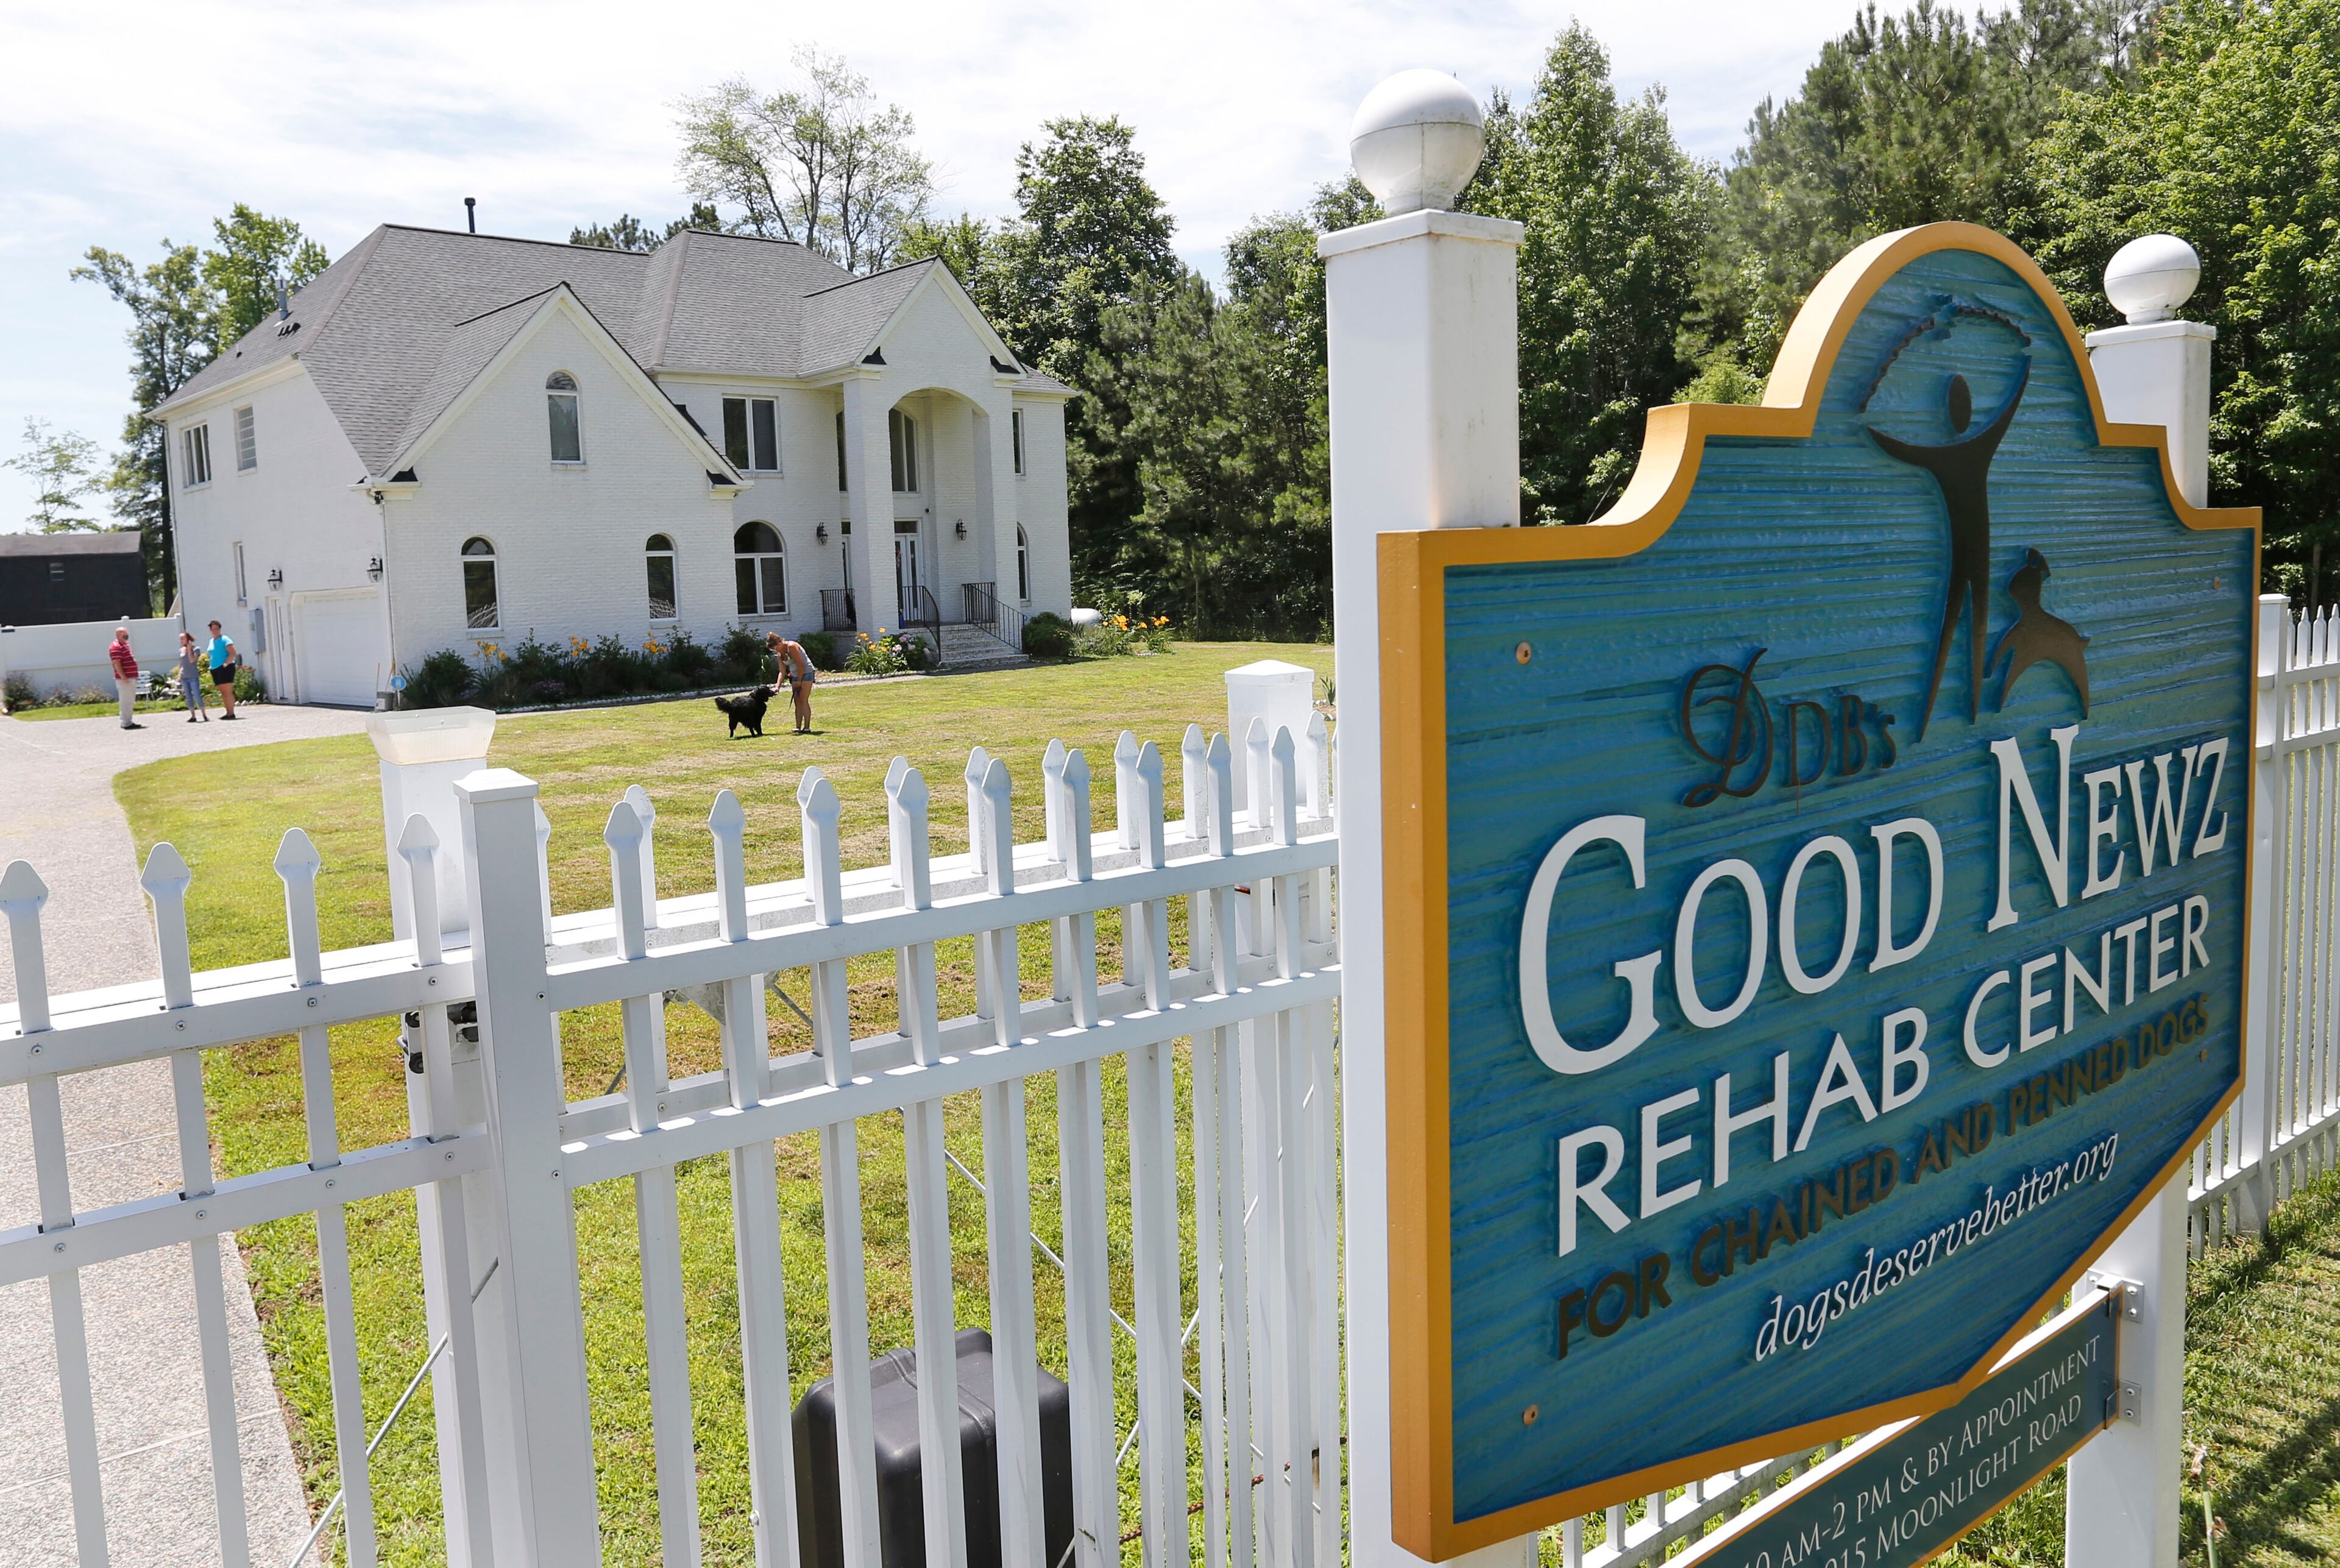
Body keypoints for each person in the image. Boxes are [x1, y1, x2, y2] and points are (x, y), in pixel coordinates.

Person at [766, 632, 815, 734]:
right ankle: (798, 727)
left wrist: (799, 681)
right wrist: (777, 687)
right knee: (797, 700)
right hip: (795, 675)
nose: (776, 651)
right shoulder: (780, 655)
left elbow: (801, 665)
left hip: (806, 673)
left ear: (780, 642)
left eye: (776, 648)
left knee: (803, 699)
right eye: (773, 650)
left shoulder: (792, 646)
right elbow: (782, 671)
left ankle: (807, 727)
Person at [204, 619, 241, 720]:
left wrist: (225, 664)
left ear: (220, 629)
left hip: (225, 668)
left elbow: (233, 653)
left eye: (217, 628)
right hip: (215, 669)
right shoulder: (211, 641)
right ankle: (228, 712)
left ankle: (231, 713)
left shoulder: (225, 639)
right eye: (213, 629)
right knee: (223, 692)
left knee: (227, 691)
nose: (215, 630)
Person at [107, 626, 143, 729]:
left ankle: (128, 721)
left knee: (130, 700)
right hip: (125, 679)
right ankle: (126, 723)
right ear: (118, 635)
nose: (126, 635)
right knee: (126, 701)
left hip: (131, 677)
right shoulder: (116, 647)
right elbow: (116, 663)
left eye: (126, 633)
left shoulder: (125, 645)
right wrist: (123, 677)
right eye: (123, 633)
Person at [175, 631, 210, 723]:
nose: (181, 641)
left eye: (183, 638)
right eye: (180, 639)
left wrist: (189, 650)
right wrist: (179, 675)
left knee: (197, 695)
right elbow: (181, 664)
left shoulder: (196, 649)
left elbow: (192, 661)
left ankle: (204, 715)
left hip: (193, 676)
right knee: (188, 696)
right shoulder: (181, 651)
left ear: (188, 639)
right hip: (184, 677)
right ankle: (193, 716)